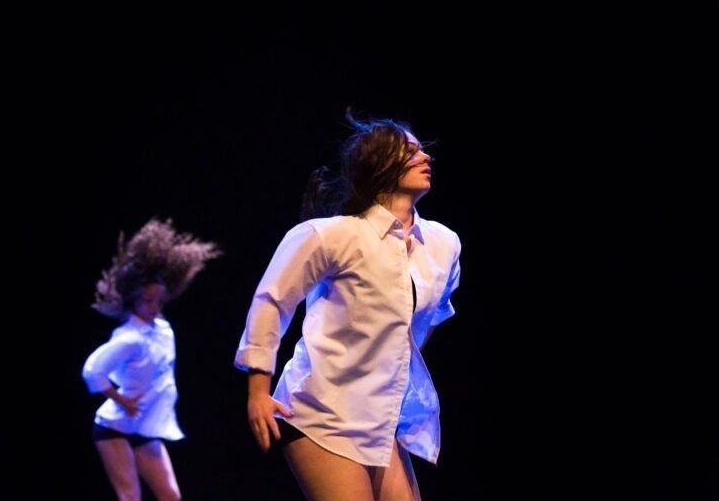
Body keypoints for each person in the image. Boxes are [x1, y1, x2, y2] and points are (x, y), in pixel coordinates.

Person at [234, 111, 462, 500]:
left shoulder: (443, 244)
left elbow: (432, 314)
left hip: (380, 419)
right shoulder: (332, 235)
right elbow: (272, 301)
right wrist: (258, 389)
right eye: (410, 152)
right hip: (320, 412)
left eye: (423, 151)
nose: (425, 158)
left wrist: (393, 369)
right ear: (380, 166)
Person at [83, 218, 221, 501]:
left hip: (146, 427)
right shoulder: (129, 337)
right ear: (134, 300)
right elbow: (92, 370)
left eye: (159, 300)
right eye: (148, 300)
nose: (155, 306)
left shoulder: (163, 330)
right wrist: (121, 400)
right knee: (130, 496)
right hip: (114, 428)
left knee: (171, 496)